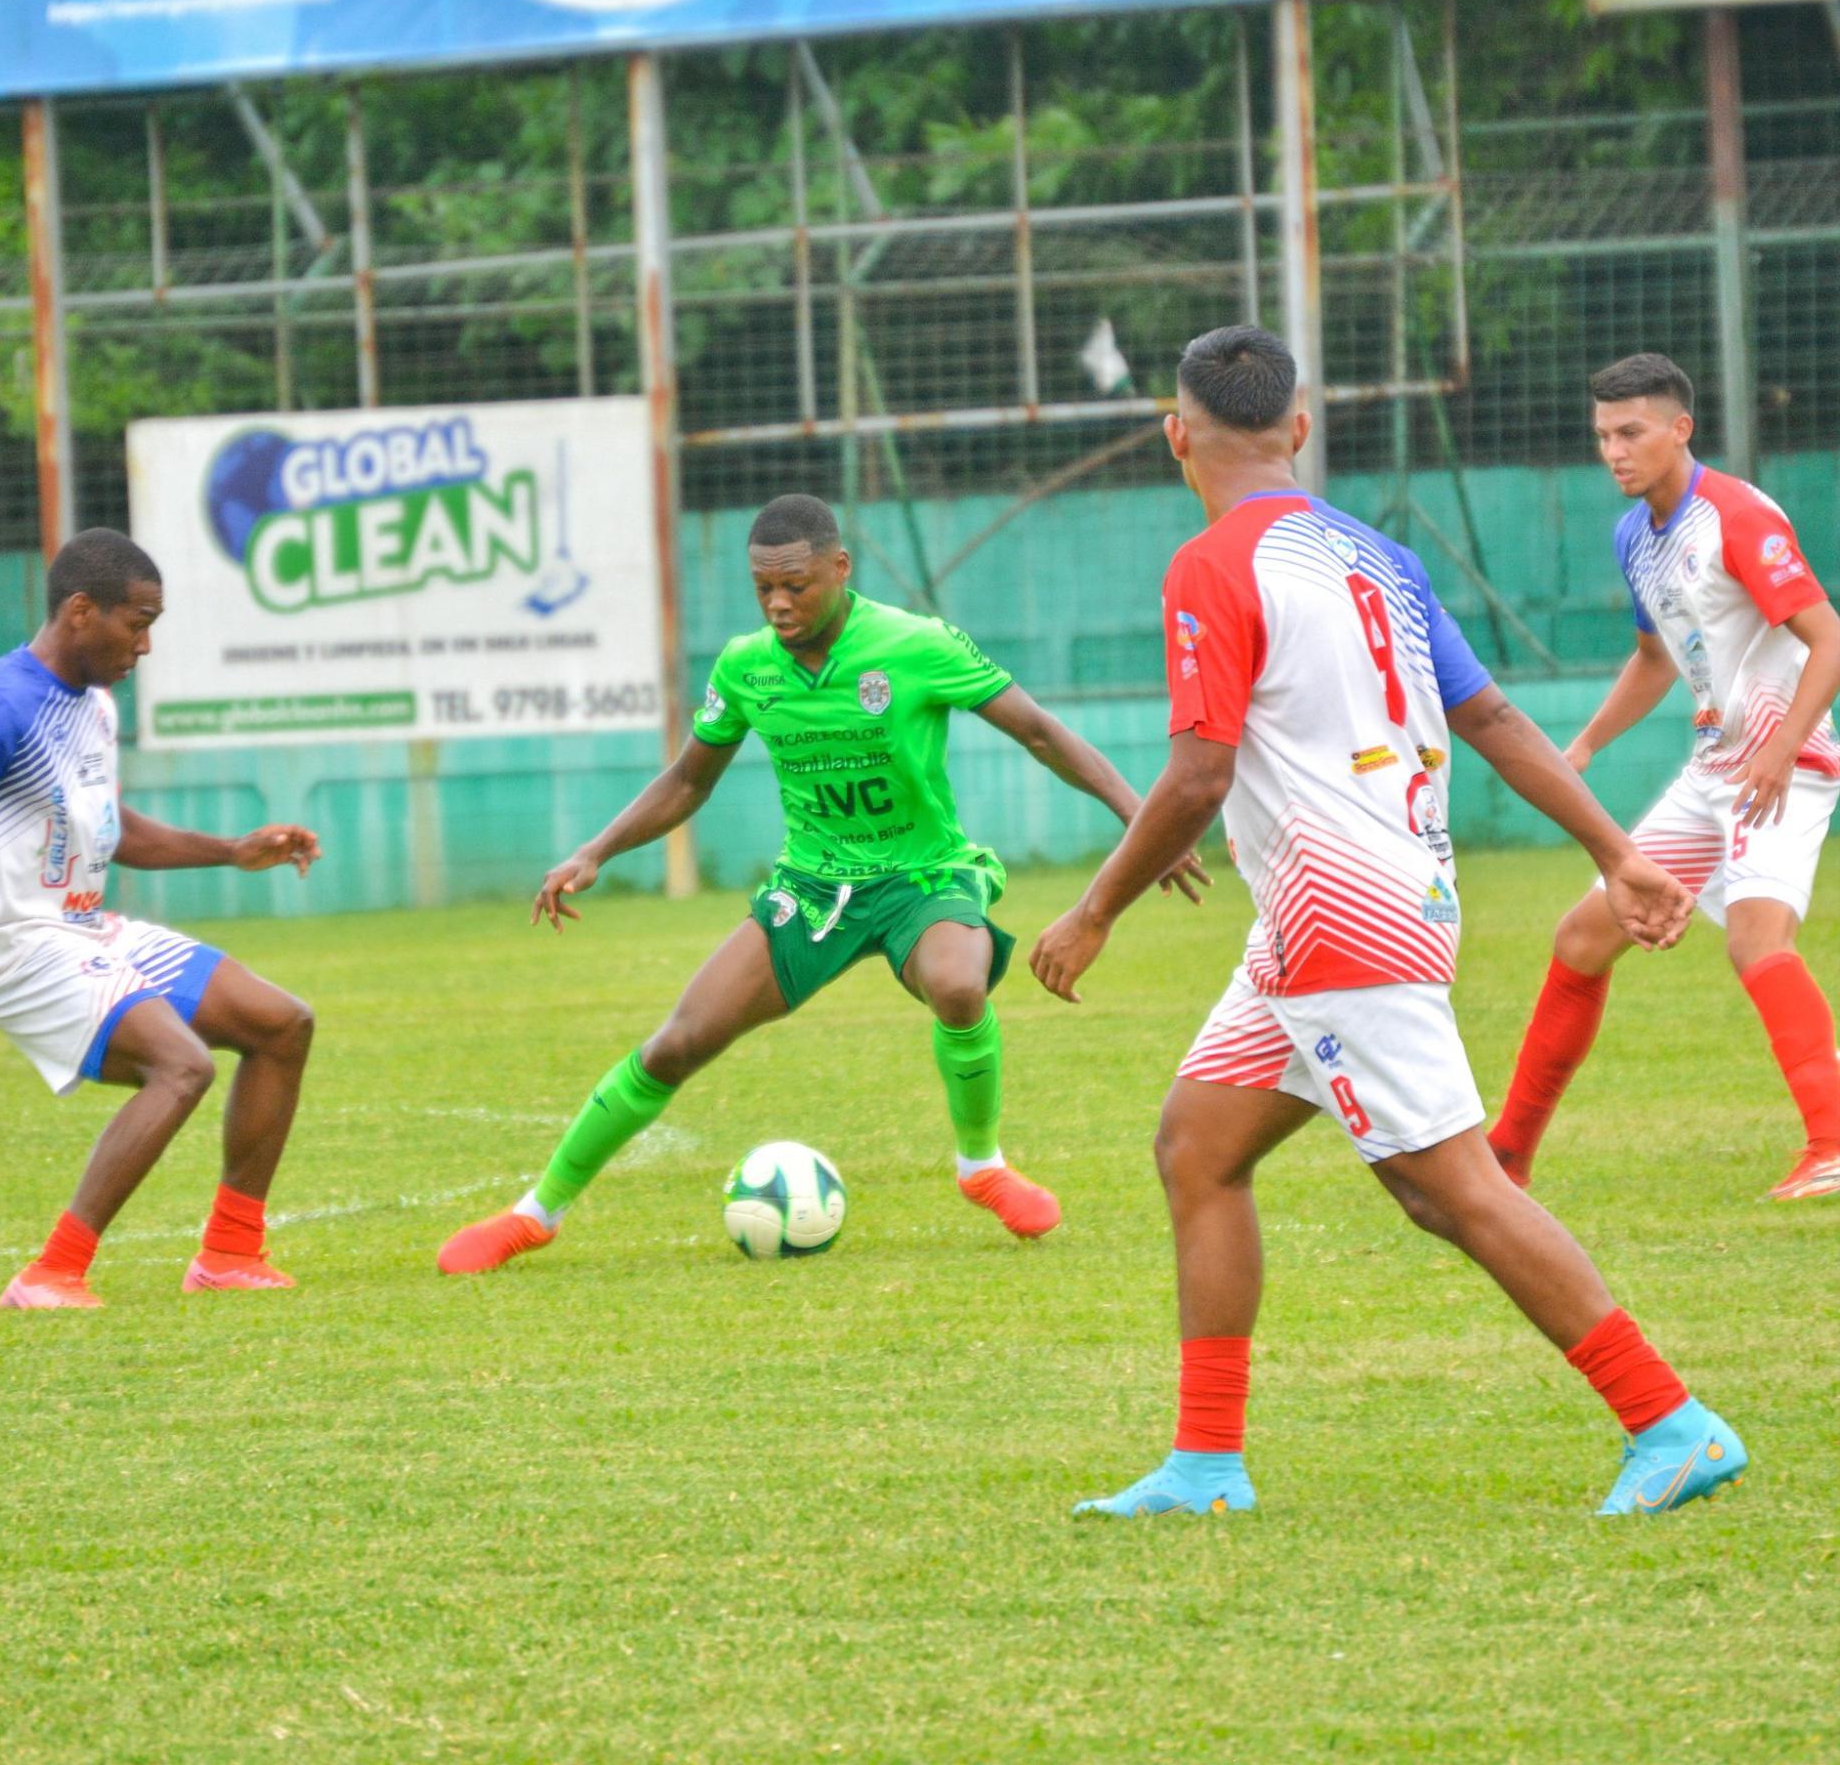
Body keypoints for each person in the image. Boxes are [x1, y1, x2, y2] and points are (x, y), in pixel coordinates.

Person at [1029, 324, 1744, 1519]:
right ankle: (1205, 1466)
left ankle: (1670, 1420)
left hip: (1337, 916)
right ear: (1297, 430)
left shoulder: (1210, 563)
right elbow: (1500, 720)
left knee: (1450, 1187)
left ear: (1174, 434)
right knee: (1197, 1147)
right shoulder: (1377, 556)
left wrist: (1095, 906)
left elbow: (1199, 776)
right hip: (1378, 899)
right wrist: (1615, 849)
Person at [439, 491, 1207, 1275]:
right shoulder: (744, 668)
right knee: (677, 1045)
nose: (777, 603)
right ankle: (534, 1215)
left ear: (840, 568)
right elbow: (686, 781)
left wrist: (1142, 820)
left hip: (921, 875)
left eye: (796, 585)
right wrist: (594, 851)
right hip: (810, 890)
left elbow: (1042, 732)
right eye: (762, 587)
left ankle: (981, 1166)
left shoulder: (916, 644)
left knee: (956, 984)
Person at [0, 528, 322, 1310]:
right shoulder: (1, 699)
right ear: (82, 610)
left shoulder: (94, 707)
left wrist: (232, 850)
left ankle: (229, 1254)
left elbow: (121, 832)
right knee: (182, 1066)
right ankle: (51, 1273)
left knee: (281, 1024)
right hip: (17, 948)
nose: (145, 644)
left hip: (84, 928)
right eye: (137, 621)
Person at [1488, 354, 1840, 1200]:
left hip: (1782, 765)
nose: (1612, 450)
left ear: (1680, 429)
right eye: (1602, 434)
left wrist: (1781, 747)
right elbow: (1655, 659)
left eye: (1631, 432)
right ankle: (1506, 1155)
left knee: (1756, 942)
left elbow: (1826, 636)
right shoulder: (1631, 534)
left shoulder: (1736, 516)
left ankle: (1830, 1144)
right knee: (1581, 937)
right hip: (1712, 767)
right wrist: (1582, 747)